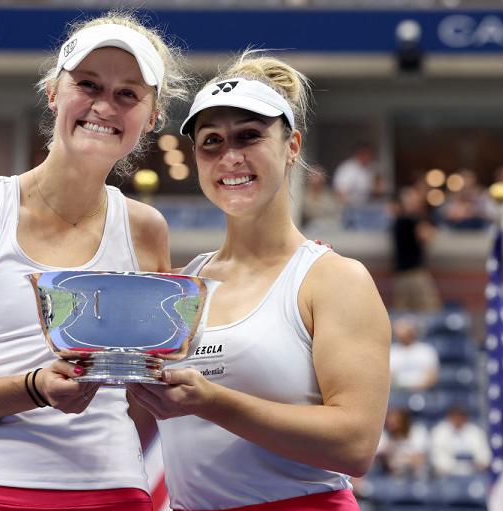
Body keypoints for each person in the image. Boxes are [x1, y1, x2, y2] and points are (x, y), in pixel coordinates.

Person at [0, 12, 186, 511]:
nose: (103, 106)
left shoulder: (147, 229)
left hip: (116, 490)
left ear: (152, 118)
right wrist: (33, 388)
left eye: (127, 94)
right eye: (88, 84)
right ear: (53, 93)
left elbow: (140, 392)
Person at [126, 53, 391, 510]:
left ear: (292, 146)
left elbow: (355, 445)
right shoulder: (177, 288)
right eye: (211, 141)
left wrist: (212, 402)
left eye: (250, 136)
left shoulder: (333, 280)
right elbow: (132, 431)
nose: (230, 157)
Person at [391, 185, 442, 312]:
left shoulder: (398, 221)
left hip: (400, 274)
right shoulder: (411, 221)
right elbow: (427, 236)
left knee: (402, 312)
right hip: (415, 273)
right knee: (430, 308)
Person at [429, 407, 490, 477]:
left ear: (465, 418)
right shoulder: (439, 432)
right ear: (449, 417)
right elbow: (436, 456)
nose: (457, 420)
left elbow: (484, 456)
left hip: (473, 475)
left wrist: (477, 464)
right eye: (454, 417)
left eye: (460, 416)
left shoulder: (476, 432)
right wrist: (453, 466)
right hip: (447, 476)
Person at [389, 316, 439, 391]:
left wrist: (416, 388)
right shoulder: (391, 351)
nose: (401, 332)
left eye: (404, 328)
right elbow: (388, 377)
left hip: (423, 392)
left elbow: (432, 376)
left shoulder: (426, 350)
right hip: (397, 392)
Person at [332, 141, 378, 205]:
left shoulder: (373, 167)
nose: (367, 156)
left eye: (369, 154)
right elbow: (339, 193)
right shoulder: (347, 168)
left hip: (368, 205)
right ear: (358, 154)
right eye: (364, 153)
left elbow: (378, 190)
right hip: (350, 207)